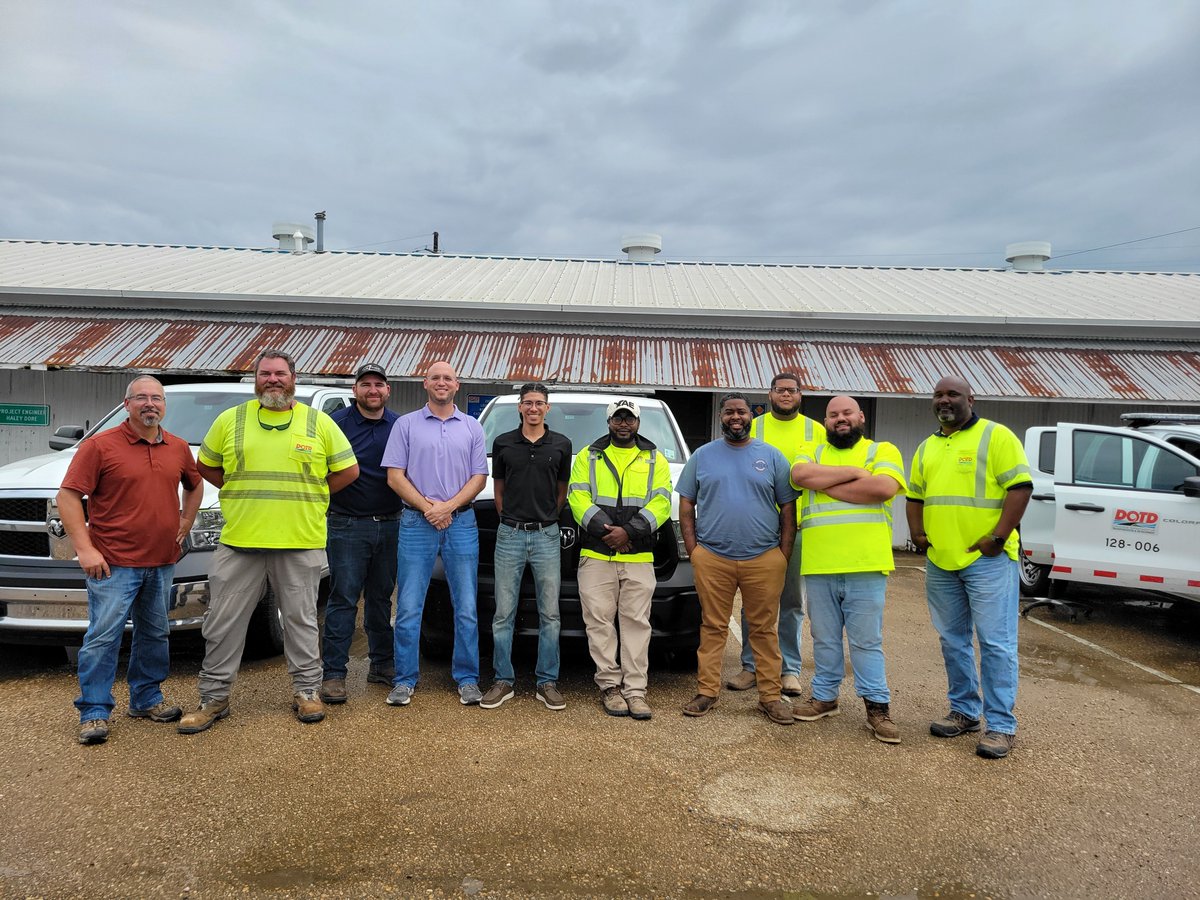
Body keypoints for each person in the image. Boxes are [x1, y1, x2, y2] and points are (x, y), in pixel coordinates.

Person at [179, 349, 359, 733]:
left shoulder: (318, 422)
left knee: (301, 621)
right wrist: (241, 492)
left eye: (280, 373)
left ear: (293, 377)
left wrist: (316, 496)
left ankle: (307, 692)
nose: (272, 380)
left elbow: (348, 470)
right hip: (240, 541)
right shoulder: (231, 420)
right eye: (265, 374)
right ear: (255, 379)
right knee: (223, 622)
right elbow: (206, 466)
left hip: (299, 541)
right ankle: (214, 698)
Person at [60, 376, 203, 745]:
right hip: (113, 563)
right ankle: (93, 711)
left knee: (155, 633)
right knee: (103, 637)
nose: (150, 404)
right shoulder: (100, 447)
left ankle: (146, 699)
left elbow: (195, 483)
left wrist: (186, 520)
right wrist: (86, 549)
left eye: (157, 398)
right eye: (141, 398)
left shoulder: (178, 447)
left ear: (164, 405)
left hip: (162, 561)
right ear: (127, 404)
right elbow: (68, 496)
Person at [906, 376, 1032, 760]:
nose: (944, 400)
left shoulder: (996, 437)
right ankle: (964, 710)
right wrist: (917, 534)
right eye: (938, 395)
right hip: (942, 562)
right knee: (953, 640)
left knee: (995, 643)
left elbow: (1020, 488)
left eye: (952, 394)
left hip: (987, 561)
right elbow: (915, 495)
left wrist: (997, 537)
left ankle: (1001, 726)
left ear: (970, 399)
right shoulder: (928, 446)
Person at [789, 396, 906, 743]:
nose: (840, 419)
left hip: (866, 564)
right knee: (823, 638)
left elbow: (883, 488)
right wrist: (855, 475)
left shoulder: (882, 450)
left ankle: (877, 707)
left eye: (846, 413)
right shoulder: (809, 450)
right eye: (833, 415)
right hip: (820, 563)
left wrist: (824, 483)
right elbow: (799, 475)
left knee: (866, 641)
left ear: (860, 417)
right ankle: (825, 698)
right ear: (825, 421)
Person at [678, 392, 798, 726]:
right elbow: (686, 503)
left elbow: (789, 508)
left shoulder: (771, 456)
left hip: (764, 558)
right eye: (729, 411)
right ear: (721, 416)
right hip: (712, 557)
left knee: (763, 629)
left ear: (751, 416)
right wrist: (694, 550)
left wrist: (782, 554)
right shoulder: (702, 456)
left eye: (741, 411)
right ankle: (707, 692)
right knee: (713, 626)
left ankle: (771, 698)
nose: (736, 417)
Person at [382, 360, 487, 707]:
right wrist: (430, 509)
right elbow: (395, 477)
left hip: (461, 524)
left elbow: (478, 478)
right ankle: (404, 679)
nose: (442, 383)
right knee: (410, 605)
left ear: (457, 386)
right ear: (425, 383)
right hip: (416, 523)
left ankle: (468, 678)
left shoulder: (472, 427)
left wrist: (447, 507)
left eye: (448, 378)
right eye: (436, 378)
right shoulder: (406, 425)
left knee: (466, 606)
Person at [568, 398, 671, 721]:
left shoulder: (655, 458)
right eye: (618, 418)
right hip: (596, 553)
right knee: (598, 621)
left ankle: (636, 691)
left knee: (636, 623)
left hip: (638, 555)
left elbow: (662, 502)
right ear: (609, 421)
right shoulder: (589, 455)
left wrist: (628, 532)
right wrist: (607, 532)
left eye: (629, 419)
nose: (623, 424)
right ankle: (610, 687)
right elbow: (577, 496)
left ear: (638, 423)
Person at [726, 372, 825, 698]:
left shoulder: (816, 430)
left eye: (791, 390)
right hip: (759, 528)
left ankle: (789, 670)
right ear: (769, 395)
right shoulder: (757, 425)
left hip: (797, 528)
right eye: (780, 390)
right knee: (755, 601)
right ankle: (751, 667)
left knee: (792, 601)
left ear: (800, 395)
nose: (785, 395)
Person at [482, 382, 572, 711]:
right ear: (519, 407)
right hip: (510, 535)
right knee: (503, 613)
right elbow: (499, 490)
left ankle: (546, 681)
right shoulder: (503, 443)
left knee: (551, 614)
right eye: (528, 403)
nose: (533, 408)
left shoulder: (561, 445)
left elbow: (560, 492)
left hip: (547, 535)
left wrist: (546, 517)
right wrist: (510, 519)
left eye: (539, 403)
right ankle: (502, 680)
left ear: (548, 408)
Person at [318, 363, 402, 705]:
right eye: (365, 384)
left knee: (382, 599)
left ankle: (381, 664)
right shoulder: (334, 424)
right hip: (347, 524)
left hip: (392, 522)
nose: (372, 390)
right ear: (356, 390)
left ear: (387, 390)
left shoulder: (399, 425)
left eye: (378, 384)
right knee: (343, 599)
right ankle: (334, 674)